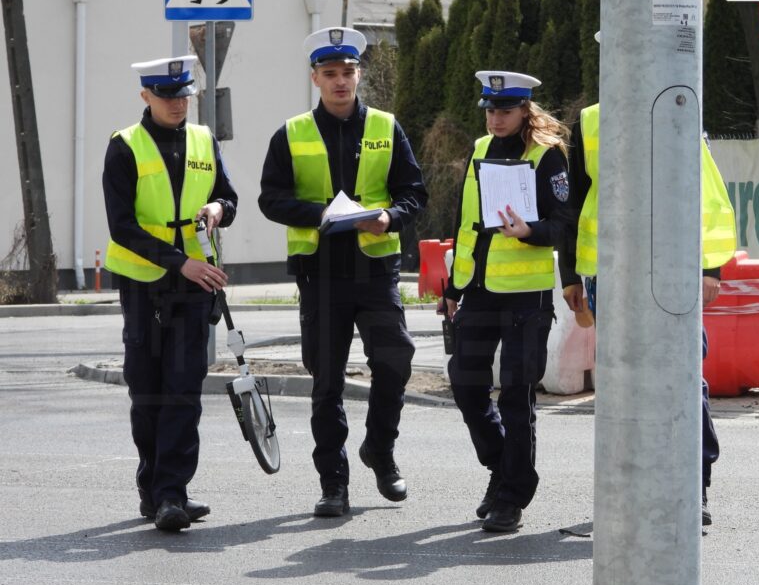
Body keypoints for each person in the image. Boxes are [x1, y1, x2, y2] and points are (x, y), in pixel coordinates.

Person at [259, 27, 427, 518]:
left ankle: (381, 451)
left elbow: (414, 192)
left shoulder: (386, 126)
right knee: (327, 381)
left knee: (394, 363)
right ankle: (334, 483)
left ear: (359, 74)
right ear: (315, 78)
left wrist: (389, 217)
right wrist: (320, 214)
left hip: (376, 270)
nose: (340, 81)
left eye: (348, 72)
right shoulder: (291, 133)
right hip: (321, 274)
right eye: (330, 73)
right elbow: (271, 199)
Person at [561, 93, 736, 527]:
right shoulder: (589, 121)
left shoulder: (678, 104)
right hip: (610, 274)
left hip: (672, 270)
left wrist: (709, 268)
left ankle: (694, 487)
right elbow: (573, 205)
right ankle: (630, 491)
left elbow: (706, 193)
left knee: (682, 378)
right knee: (623, 385)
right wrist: (570, 274)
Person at [102, 54, 238, 532]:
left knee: (183, 389)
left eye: (183, 95)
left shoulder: (204, 139)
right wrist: (180, 260)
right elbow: (122, 227)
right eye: (167, 96)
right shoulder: (125, 147)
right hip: (144, 284)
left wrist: (219, 208)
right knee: (148, 389)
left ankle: (171, 494)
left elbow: (229, 195)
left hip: (194, 286)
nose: (177, 104)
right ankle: (153, 488)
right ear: (146, 97)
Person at [443, 70, 574, 533]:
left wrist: (530, 232)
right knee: (466, 384)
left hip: (525, 297)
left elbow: (564, 224)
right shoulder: (480, 150)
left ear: (524, 111)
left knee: (517, 396)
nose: (495, 119)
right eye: (490, 111)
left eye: (505, 111)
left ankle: (512, 498)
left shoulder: (547, 157)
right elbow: (465, 225)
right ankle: (502, 469)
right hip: (477, 290)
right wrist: (453, 289)